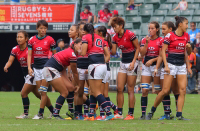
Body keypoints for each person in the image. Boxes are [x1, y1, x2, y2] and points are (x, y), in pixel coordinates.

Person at [147, 16, 192, 120]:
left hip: (181, 65)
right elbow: (163, 51)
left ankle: (179, 115)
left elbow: (187, 53)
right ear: (180, 24)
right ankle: (152, 111)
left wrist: (189, 50)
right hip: (171, 64)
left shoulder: (187, 36)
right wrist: (166, 65)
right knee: (165, 91)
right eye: (186, 23)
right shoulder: (170, 36)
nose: (187, 26)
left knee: (182, 90)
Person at [81, 23, 114, 121]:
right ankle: (91, 115)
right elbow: (107, 55)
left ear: (86, 31)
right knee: (92, 91)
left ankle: (109, 113)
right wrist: (102, 63)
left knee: (96, 92)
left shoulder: (86, 37)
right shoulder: (101, 38)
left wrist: (78, 50)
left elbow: (83, 53)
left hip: (94, 65)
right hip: (103, 65)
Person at [43, 38, 82, 120]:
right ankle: (55, 114)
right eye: (80, 44)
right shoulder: (73, 54)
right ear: (74, 44)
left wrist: (68, 79)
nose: (82, 46)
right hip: (50, 69)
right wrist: (79, 85)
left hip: (54, 69)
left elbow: (62, 68)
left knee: (71, 88)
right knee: (64, 92)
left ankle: (71, 112)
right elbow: (75, 73)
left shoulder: (71, 52)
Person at [4, 31, 39, 119]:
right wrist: (6, 66)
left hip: (32, 72)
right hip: (25, 74)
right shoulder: (15, 49)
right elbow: (10, 61)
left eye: (21, 37)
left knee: (23, 93)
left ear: (26, 39)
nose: (18, 39)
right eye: (17, 37)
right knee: (39, 94)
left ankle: (25, 114)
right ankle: (53, 110)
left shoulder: (30, 48)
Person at [111, 17, 140, 120]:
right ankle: (119, 113)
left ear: (121, 26)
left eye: (115, 26)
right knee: (119, 88)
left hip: (132, 62)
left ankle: (130, 114)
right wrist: (108, 43)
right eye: (113, 27)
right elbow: (113, 52)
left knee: (130, 89)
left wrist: (133, 62)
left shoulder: (130, 34)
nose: (114, 29)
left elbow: (137, 48)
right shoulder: (114, 37)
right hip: (123, 63)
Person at [27, 20, 56, 119]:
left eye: (45, 28)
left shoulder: (50, 40)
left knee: (43, 92)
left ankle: (40, 114)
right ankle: (53, 111)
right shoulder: (31, 40)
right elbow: (29, 55)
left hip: (46, 68)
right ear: (37, 28)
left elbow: (54, 54)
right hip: (36, 68)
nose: (43, 30)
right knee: (41, 93)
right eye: (41, 28)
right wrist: (29, 67)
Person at [154, 21, 179, 120]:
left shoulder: (173, 38)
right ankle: (168, 113)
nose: (162, 31)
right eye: (162, 29)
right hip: (166, 67)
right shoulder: (164, 39)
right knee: (165, 91)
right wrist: (157, 67)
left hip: (174, 66)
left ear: (170, 29)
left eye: (164, 29)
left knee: (175, 91)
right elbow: (161, 54)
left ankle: (177, 113)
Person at [139, 21, 162, 120]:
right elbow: (142, 53)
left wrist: (153, 60)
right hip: (146, 67)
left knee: (158, 91)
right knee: (144, 90)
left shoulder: (161, 40)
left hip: (156, 67)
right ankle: (143, 114)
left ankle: (166, 111)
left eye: (152, 28)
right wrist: (147, 43)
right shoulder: (144, 40)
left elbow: (162, 56)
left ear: (157, 29)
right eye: (149, 28)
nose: (150, 30)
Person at [95, 26, 118, 120]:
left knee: (100, 93)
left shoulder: (101, 42)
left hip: (104, 69)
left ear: (100, 33)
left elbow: (106, 56)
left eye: (96, 32)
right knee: (104, 94)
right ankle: (114, 108)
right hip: (106, 69)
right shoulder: (105, 42)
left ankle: (103, 114)